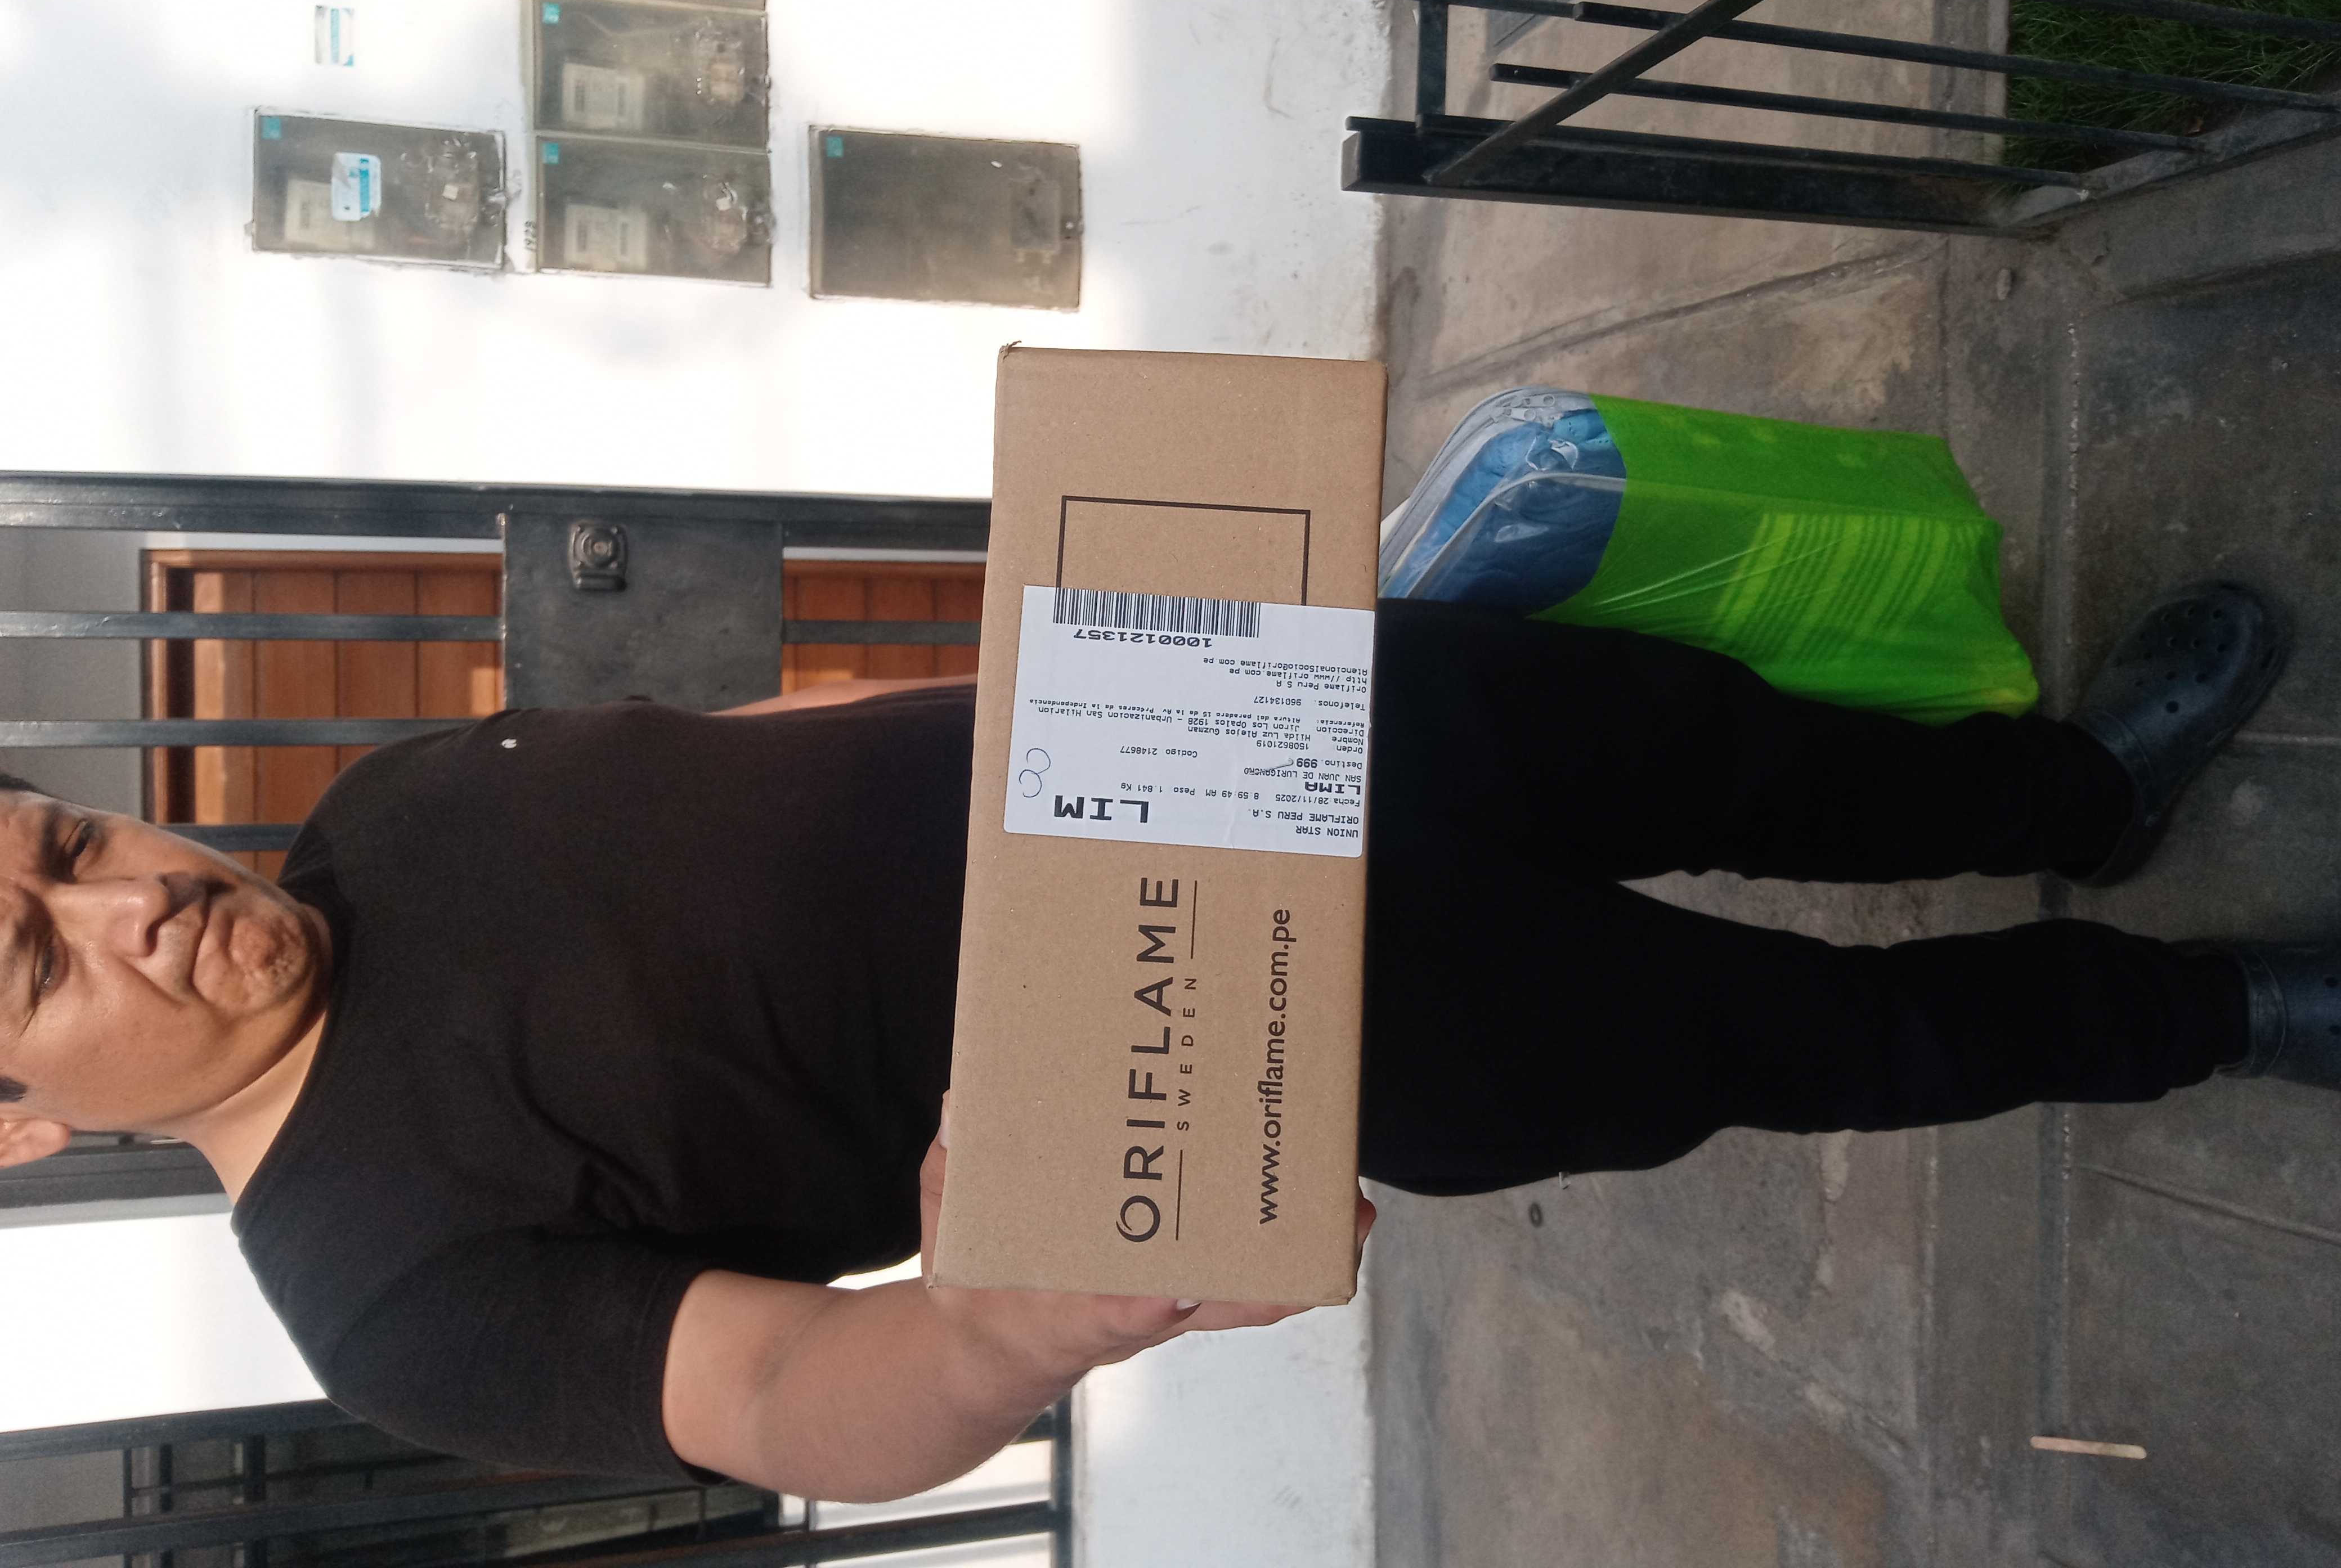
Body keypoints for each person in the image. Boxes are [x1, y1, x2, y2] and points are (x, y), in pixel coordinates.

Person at [0, 581, 2329, 1499]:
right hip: (1312, 1033)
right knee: (1814, 1037)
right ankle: (2211, 1011)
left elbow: (758, 750)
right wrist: (995, 1330)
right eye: (44, 959)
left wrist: (1086, 646)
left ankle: (2074, 797)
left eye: (70, 842)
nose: (137, 897)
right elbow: (787, 1398)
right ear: (16, 1122)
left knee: (1713, 746)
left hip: (1263, 730)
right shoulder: (386, 1295)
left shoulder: (382, 807)